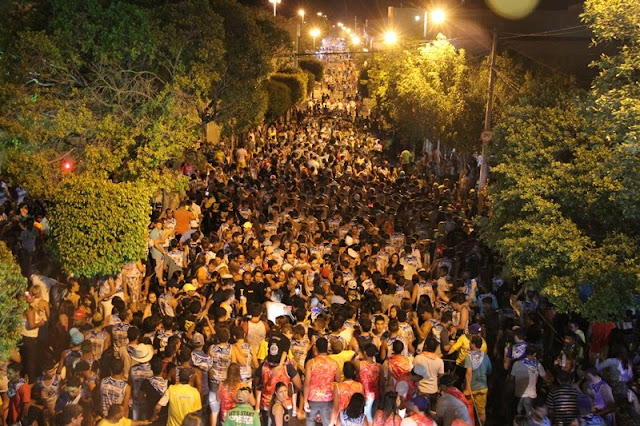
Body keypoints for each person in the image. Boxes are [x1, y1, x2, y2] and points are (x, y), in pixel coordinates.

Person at [304, 337, 340, 426]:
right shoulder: (334, 363)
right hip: (328, 398)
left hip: (313, 398)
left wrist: (305, 401)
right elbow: (338, 380)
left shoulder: (311, 363)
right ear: (327, 348)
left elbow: (307, 383)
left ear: (316, 348)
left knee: (310, 421)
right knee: (327, 423)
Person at [511, 346, 549, 416]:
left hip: (518, 394)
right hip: (531, 395)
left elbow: (511, 378)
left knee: (518, 413)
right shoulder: (538, 365)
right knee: (528, 414)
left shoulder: (516, 364)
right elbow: (546, 379)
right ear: (535, 354)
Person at [463, 335, 491, 424]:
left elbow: (469, 372)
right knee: (481, 412)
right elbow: (489, 370)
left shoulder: (469, 356)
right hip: (483, 387)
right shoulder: (485, 356)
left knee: (468, 411)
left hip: (471, 388)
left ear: (473, 345)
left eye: (470, 342)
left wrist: (467, 389)